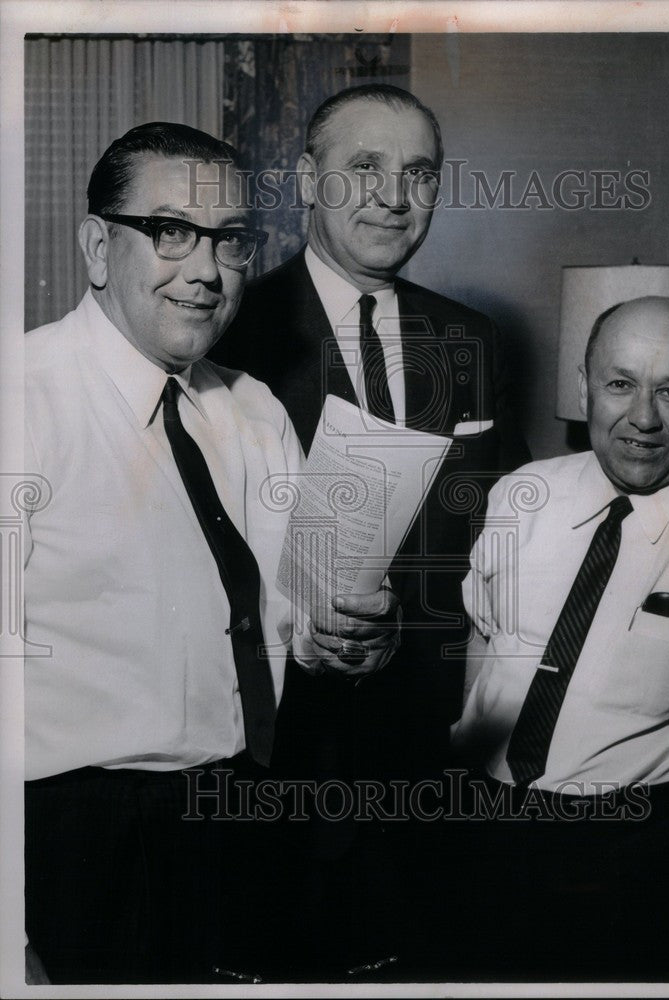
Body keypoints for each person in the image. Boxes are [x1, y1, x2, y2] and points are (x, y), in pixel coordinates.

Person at [23, 121, 395, 985]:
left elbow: (293, 624)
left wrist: (349, 641)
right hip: (73, 845)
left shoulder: (254, 410)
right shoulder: (23, 403)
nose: (204, 270)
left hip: (244, 821)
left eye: (229, 241)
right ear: (95, 245)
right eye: (170, 232)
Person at [209, 84, 528, 976]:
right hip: (267, 767)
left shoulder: (471, 338)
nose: (395, 195)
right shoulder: (228, 326)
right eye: (365, 169)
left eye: (419, 173)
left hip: (421, 766)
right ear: (308, 181)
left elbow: (505, 532)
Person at [450, 295, 669, 981]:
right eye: (621, 383)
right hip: (485, 833)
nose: (643, 418)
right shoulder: (523, 493)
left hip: (640, 860)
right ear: (584, 387)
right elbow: (483, 635)